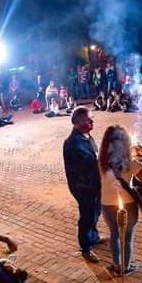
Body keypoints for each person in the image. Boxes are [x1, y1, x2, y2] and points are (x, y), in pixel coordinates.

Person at [98, 125, 142, 276]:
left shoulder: (100, 162)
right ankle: (126, 267)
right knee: (127, 238)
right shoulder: (132, 164)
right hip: (128, 204)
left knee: (114, 234)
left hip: (107, 203)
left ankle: (116, 265)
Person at [63, 107, 104, 263]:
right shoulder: (73, 142)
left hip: (95, 183)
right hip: (84, 187)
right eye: (89, 119)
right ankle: (86, 247)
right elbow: (91, 163)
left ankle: (93, 237)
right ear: (79, 122)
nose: (92, 121)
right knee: (87, 216)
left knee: (96, 211)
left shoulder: (86, 136)